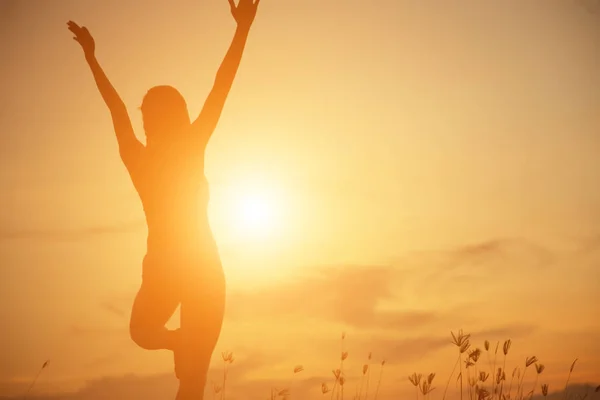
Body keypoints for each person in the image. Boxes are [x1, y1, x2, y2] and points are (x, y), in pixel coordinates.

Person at [67, 0, 260, 398]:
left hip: (203, 273)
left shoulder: (189, 145)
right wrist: (91, 58)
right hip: (165, 272)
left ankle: (187, 350)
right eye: (146, 115)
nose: (146, 121)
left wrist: (243, 29)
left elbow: (222, 85)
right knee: (141, 331)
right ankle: (181, 343)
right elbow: (116, 108)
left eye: (153, 114)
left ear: (173, 116)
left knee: (190, 386)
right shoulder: (141, 159)